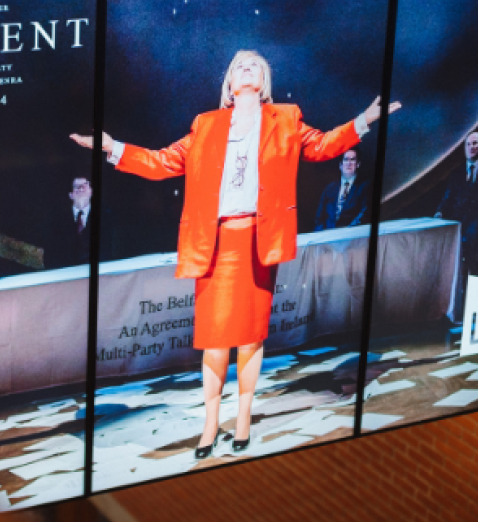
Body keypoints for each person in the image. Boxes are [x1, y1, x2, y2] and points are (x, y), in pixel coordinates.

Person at [71, 50, 400, 458]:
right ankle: (210, 425)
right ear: (229, 81)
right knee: (213, 341)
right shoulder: (205, 124)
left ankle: (243, 419)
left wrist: (364, 120)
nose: (246, 68)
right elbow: (161, 162)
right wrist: (112, 146)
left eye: (253, 65)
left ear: (264, 80)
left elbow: (322, 146)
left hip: (257, 242)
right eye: (238, 65)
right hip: (215, 244)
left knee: (249, 338)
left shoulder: (286, 118)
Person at [434, 131, 478, 321]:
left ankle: (472, 296)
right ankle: (455, 298)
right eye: (468, 144)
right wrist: (440, 212)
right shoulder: (457, 173)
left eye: (475, 143)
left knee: (471, 245)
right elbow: (448, 198)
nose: (471, 147)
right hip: (459, 218)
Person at [43, 177, 93, 269]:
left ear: (91, 192)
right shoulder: (57, 221)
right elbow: (50, 253)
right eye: (77, 186)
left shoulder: (105, 217)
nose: (81, 189)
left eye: (85, 185)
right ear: (71, 195)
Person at [314, 149, 370, 231]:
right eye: (346, 159)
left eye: (352, 159)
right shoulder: (329, 189)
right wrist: (323, 235)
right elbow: (319, 218)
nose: (349, 163)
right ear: (340, 165)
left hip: (353, 235)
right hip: (328, 235)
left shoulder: (365, 187)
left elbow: (364, 213)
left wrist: (347, 233)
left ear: (358, 164)